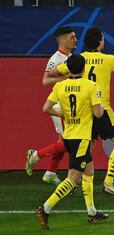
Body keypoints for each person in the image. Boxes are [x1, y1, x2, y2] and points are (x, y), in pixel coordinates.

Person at [50, 26, 114, 196]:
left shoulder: (79, 58)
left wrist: (68, 77)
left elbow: (52, 72)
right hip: (101, 108)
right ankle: (108, 182)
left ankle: (73, 181)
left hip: (83, 111)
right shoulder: (108, 59)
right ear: (100, 41)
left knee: (86, 148)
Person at [36, 54, 108, 231]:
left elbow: (46, 108)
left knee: (89, 171)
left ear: (68, 68)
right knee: (74, 178)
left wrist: (63, 114)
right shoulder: (91, 85)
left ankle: (92, 212)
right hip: (82, 137)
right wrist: (103, 107)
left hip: (68, 135)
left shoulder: (60, 86)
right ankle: (45, 208)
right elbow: (98, 114)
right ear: (84, 68)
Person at [26, 26, 77, 185]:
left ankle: (50, 172)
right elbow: (45, 81)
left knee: (63, 140)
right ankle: (36, 155)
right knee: (70, 143)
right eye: (72, 37)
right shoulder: (56, 59)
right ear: (62, 40)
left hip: (70, 103)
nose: (75, 40)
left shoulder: (70, 56)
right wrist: (67, 77)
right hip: (61, 106)